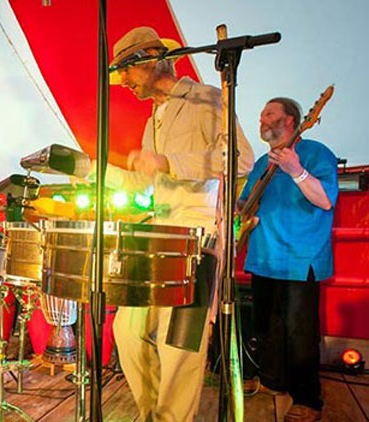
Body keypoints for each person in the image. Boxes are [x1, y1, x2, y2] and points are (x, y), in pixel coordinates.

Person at [98, 27, 254, 421]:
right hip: (160, 237)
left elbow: (240, 158)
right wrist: (95, 172)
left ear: (151, 58)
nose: (124, 82)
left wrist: (168, 162)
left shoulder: (206, 97)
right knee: (127, 333)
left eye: (126, 70)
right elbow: (145, 182)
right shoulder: (153, 118)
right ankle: (154, 415)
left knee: (179, 349)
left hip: (198, 238)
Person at [239, 97, 337, 422]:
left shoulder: (316, 153)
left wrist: (296, 170)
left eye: (269, 113)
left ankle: (308, 400)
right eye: (261, 115)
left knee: (300, 335)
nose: (262, 119)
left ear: (292, 120)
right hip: (263, 257)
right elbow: (246, 206)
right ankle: (273, 381)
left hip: (300, 259)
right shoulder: (261, 164)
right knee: (266, 328)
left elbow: (325, 201)